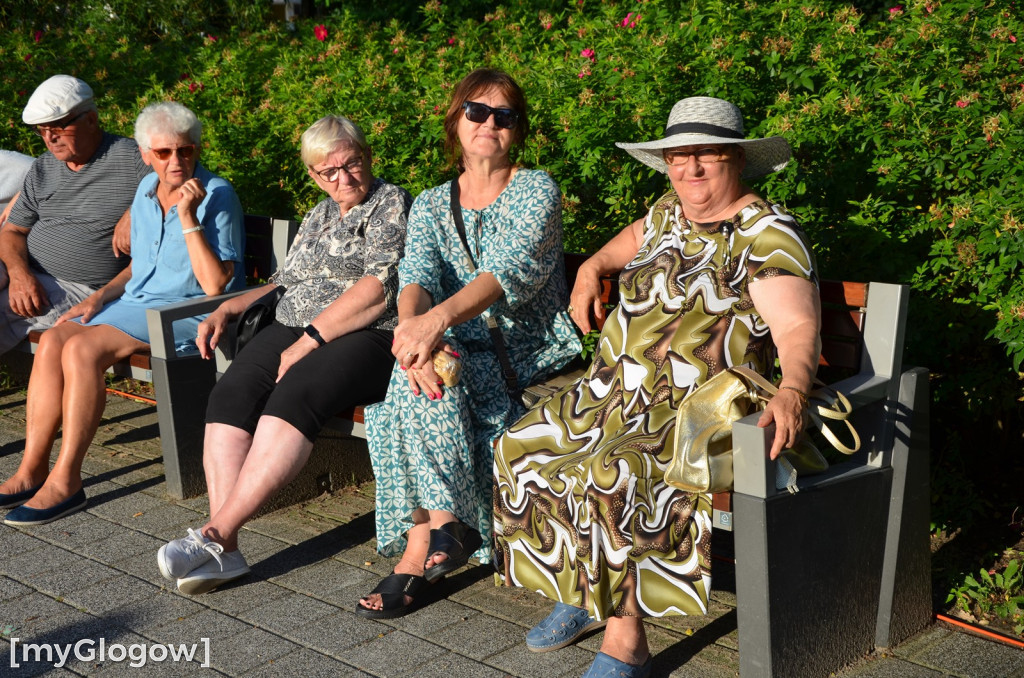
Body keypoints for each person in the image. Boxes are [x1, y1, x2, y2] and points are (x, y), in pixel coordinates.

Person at [493, 96, 820, 678]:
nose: (690, 169)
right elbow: (621, 247)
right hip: (617, 389)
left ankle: (626, 644)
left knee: (610, 471)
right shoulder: (668, 212)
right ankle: (584, 592)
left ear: (736, 160)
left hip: (698, 407)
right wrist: (591, 268)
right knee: (520, 447)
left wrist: (793, 388)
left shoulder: (765, 233)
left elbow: (797, 327)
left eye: (705, 155)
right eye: (678, 156)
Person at [356, 68, 580, 619]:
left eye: (503, 116)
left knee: (409, 395)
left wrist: (430, 329)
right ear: (456, 120)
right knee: (412, 383)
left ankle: (422, 544)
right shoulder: (433, 202)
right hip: (450, 343)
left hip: (521, 352)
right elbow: (416, 277)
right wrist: (414, 337)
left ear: (517, 131)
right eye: (477, 112)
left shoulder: (536, 190)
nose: (489, 124)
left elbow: (505, 274)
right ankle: (444, 528)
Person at [155, 115, 412, 595]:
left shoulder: (389, 203)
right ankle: (225, 552)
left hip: (369, 333)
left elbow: (380, 289)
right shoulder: (318, 214)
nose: (342, 177)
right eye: (328, 171)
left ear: (367, 157)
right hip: (295, 324)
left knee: (293, 396)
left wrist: (311, 338)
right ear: (314, 176)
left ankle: (214, 536)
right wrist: (228, 308)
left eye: (350, 163)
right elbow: (285, 283)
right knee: (230, 395)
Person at [0, 101, 245, 526]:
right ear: (146, 154)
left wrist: (188, 216)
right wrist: (99, 298)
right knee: (56, 337)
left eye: (185, 151)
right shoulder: (146, 190)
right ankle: (31, 469)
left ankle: (68, 480)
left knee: (81, 351)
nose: (176, 161)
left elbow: (215, 285)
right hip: (137, 302)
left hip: (187, 310)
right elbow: (139, 267)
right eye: (164, 152)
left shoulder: (216, 193)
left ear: (197, 149)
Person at [0, 75, 149, 354]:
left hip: (76, 287)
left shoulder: (132, 158)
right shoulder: (44, 168)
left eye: (57, 127)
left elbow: (183, 174)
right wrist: (19, 273)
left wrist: (136, 207)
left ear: (91, 120)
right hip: (22, 269)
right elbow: (12, 230)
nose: (49, 138)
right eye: (41, 130)